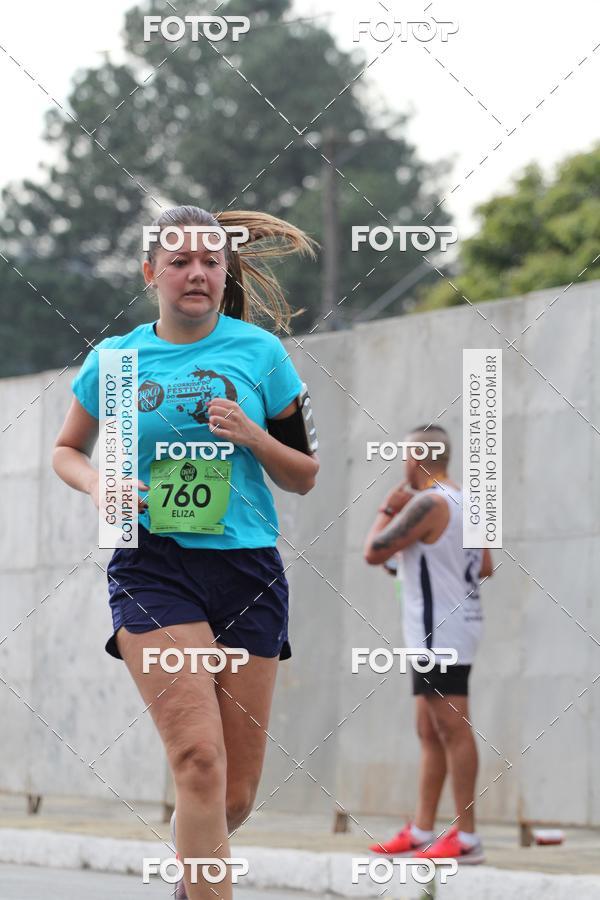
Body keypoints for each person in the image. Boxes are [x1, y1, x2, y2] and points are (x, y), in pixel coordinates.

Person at [52, 206, 320, 900]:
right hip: (153, 567)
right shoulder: (115, 361)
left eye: (209, 261)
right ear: (152, 273)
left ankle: (188, 887)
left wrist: (254, 438)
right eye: (179, 261)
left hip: (249, 571)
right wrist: (100, 482)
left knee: (233, 794)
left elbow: (304, 474)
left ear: (226, 272)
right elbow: (65, 450)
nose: (195, 272)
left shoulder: (262, 355)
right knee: (198, 761)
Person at [363, 425, 492, 865]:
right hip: (456, 626)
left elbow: (373, 551)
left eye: (404, 456)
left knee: (453, 728)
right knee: (429, 729)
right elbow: (485, 565)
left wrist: (387, 506)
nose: (402, 464)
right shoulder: (468, 501)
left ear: (417, 458)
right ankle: (422, 829)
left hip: (440, 632)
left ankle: (468, 837)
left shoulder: (427, 503)